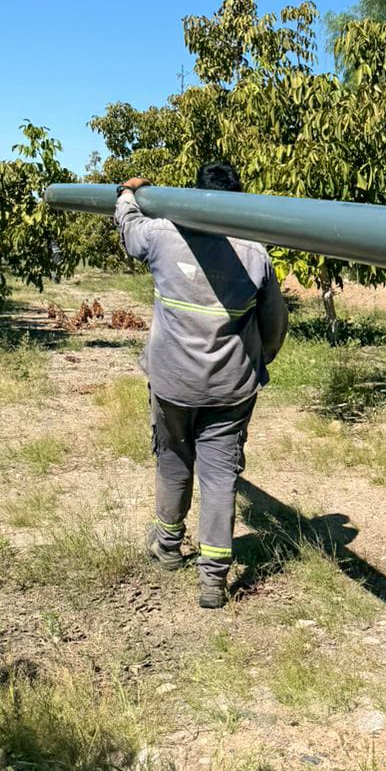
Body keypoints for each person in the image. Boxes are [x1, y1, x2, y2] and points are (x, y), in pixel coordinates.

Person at [114, 162, 288, 609]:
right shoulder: (255, 254)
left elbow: (129, 225)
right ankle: (213, 579)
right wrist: (258, 361)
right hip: (230, 390)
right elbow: (273, 326)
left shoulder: (163, 236)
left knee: (172, 462)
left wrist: (130, 191)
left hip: (172, 383)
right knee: (219, 477)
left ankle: (168, 546)